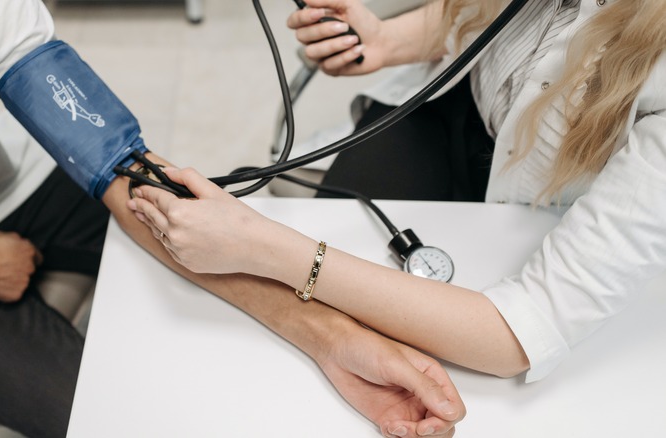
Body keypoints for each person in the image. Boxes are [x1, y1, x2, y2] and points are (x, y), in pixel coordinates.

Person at [0, 1, 465, 437]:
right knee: (120, 422)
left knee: (205, 236)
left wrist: (332, 338)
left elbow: (119, 167)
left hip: (22, 178)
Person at [127, 0, 666, 400]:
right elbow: (502, 17)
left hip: (533, 211)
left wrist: (259, 244)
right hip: (447, 113)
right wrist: (388, 40)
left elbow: (520, 333)